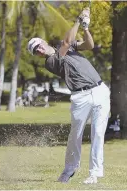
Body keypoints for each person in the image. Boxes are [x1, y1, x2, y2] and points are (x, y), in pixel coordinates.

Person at [27, 8, 110, 184]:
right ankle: (69, 169)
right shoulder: (51, 62)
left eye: (39, 45)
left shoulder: (66, 47)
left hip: (100, 90)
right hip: (81, 97)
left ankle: (94, 174)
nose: (39, 50)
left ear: (43, 41)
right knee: (76, 134)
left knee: (98, 133)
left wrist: (86, 28)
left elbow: (89, 45)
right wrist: (79, 20)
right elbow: (67, 41)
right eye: (36, 51)